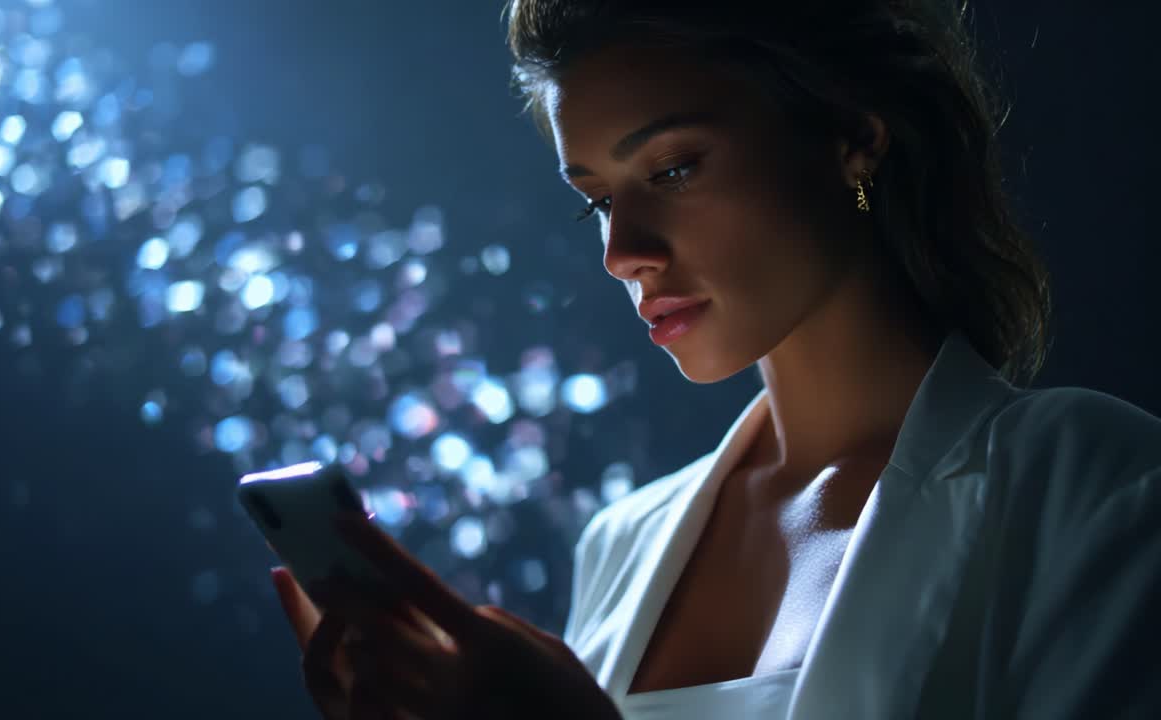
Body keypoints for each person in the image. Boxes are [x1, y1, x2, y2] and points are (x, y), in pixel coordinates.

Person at [270, 1, 1161, 718]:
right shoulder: (621, 543)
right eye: (596, 202)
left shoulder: (1097, 485)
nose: (623, 253)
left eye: (672, 170)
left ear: (853, 138)